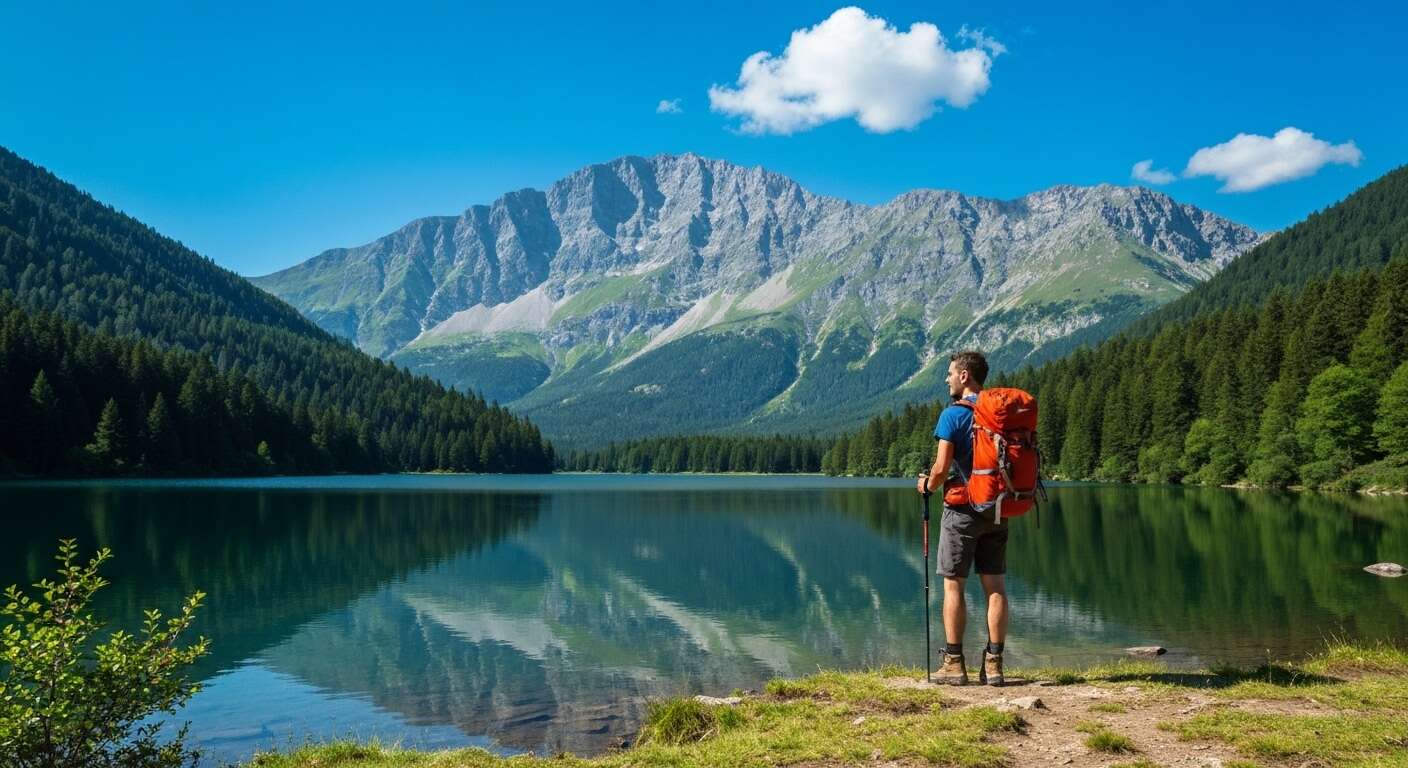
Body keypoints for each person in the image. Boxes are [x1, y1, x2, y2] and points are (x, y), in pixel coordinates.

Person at [915, 350, 1007, 686]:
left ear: (965, 375)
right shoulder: (998, 412)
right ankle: (994, 664)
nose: (947, 379)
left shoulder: (952, 414)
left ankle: (954, 663)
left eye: (951, 373)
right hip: (996, 509)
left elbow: (940, 469)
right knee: (995, 586)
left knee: (953, 585)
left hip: (961, 510)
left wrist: (926, 484)